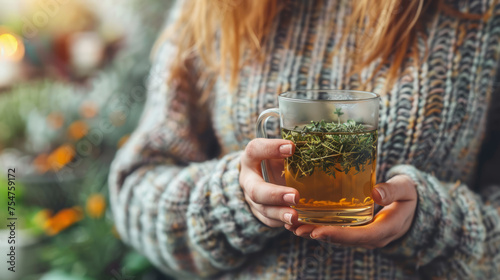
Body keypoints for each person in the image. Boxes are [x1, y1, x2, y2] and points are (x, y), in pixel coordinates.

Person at [108, 0, 500, 279]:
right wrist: (235, 198)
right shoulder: (213, 9)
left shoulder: (481, 14)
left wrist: (434, 225)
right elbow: (135, 190)